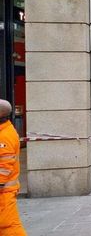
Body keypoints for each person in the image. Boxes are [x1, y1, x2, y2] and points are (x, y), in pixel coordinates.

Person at [0, 99, 26, 235]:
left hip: (4, 192)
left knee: (8, 226)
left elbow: (4, 164)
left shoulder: (4, 136)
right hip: (5, 190)